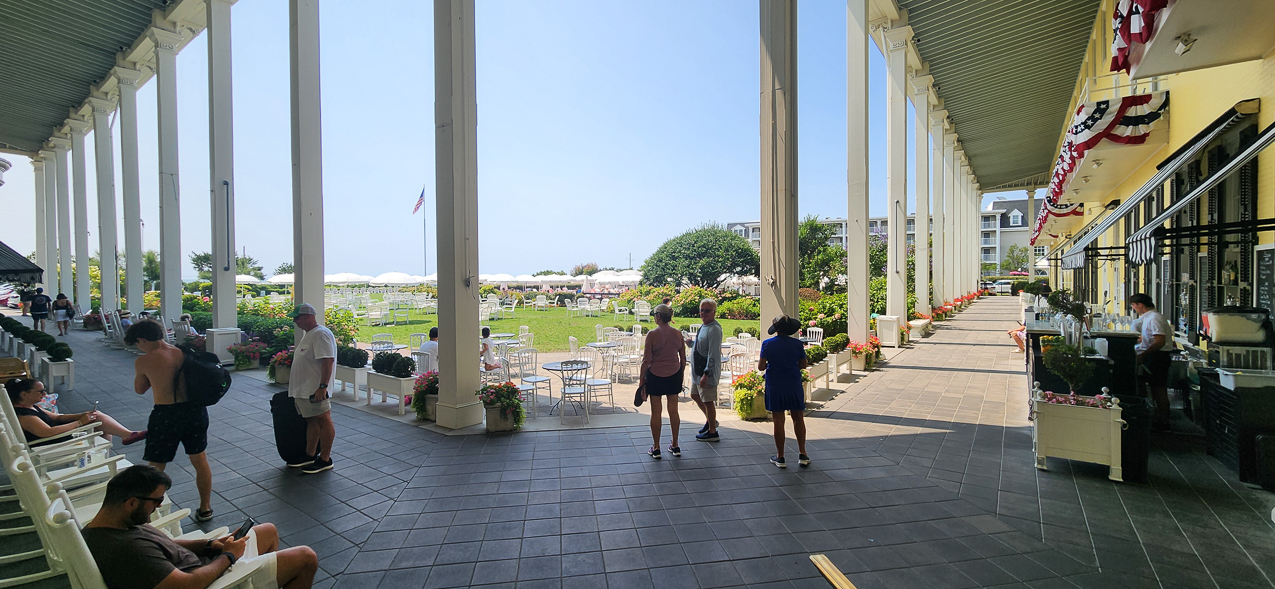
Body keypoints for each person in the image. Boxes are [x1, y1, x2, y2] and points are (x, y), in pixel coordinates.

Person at [83, 465, 319, 589]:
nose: (159, 506)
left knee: (268, 530)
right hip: (212, 581)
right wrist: (227, 556)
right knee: (306, 558)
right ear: (131, 502)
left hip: (207, 564)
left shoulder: (110, 524)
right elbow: (185, 586)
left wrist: (210, 545)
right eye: (156, 501)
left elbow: (167, 544)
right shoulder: (127, 550)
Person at [125, 320, 215, 522]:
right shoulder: (183, 352)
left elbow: (140, 389)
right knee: (200, 461)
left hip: (166, 415)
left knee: (156, 465)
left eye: (138, 343)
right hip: (195, 412)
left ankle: (147, 514)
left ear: (142, 339)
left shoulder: (144, 360)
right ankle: (205, 508)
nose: (139, 347)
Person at [6, 377, 145, 445]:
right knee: (100, 427)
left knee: (99, 422)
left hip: (54, 435)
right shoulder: (25, 416)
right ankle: (124, 437)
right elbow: (47, 432)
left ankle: (126, 435)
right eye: (41, 391)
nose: (44, 394)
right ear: (24, 394)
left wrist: (83, 415)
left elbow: (57, 418)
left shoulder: (31, 406)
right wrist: (79, 423)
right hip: (51, 441)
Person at [287, 304, 336, 473]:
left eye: (297, 318)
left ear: (308, 316)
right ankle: (310, 454)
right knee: (312, 421)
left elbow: (327, 360)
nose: (294, 321)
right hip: (304, 390)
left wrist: (322, 387)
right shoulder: (309, 335)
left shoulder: (320, 334)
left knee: (323, 420)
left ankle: (325, 459)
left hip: (315, 390)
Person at [757, 316, 810, 468]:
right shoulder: (797, 344)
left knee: (778, 419)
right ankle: (803, 453)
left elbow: (761, 366)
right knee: (798, 417)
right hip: (793, 383)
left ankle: (780, 456)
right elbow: (803, 364)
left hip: (775, 384)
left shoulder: (767, 344)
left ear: (776, 329)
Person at [638, 304, 686, 459]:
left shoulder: (652, 334)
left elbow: (646, 360)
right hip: (674, 374)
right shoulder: (678, 334)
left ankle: (656, 447)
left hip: (655, 375)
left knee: (656, 412)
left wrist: (641, 379)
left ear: (658, 316)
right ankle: (675, 444)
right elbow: (683, 359)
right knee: (674, 411)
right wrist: (681, 374)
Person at [1130, 293, 1175, 432]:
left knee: (1159, 389)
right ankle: (1153, 417)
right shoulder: (1149, 318)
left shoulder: (1155, 318)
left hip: (1157, 357)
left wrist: (1144, 354)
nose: (1133, 309)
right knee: (1148, 387)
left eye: (1133, 306)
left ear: (1140, 305)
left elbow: (1160, 341)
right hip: (1153, 356)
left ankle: (1164, 421)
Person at [688, 298, 722, 441]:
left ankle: (713, 431)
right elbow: (702, 345)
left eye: (707, 311)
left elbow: (713, 353)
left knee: (708, 400)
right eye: (701, 310)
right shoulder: (704, 327)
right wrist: (692, 344)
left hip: (706, 372)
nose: (703, 313)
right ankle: (710, 420)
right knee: (695, 395)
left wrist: (707, 374)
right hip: (698, 372)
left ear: (714, 312)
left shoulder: (714, 329)